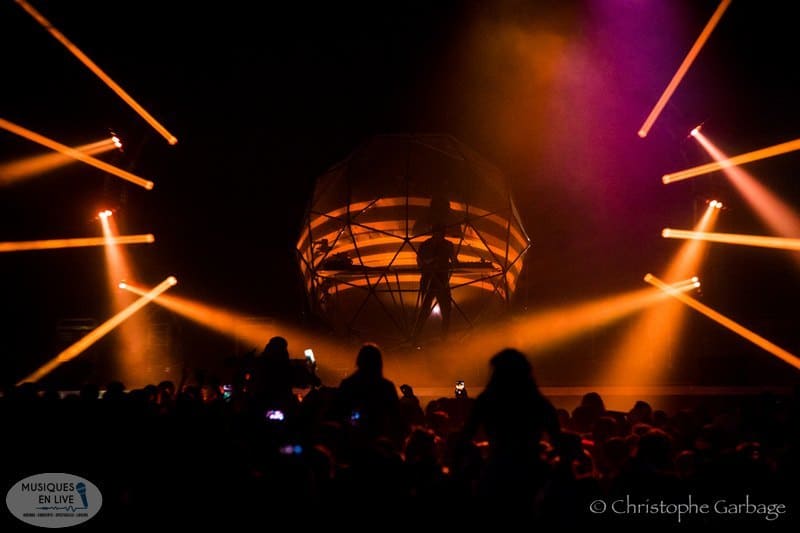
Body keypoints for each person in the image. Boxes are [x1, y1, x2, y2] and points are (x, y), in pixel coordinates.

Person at [414, 223, 457, 341]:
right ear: (434, 233)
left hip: (441, 281)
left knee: (446, 309)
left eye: (442, 233)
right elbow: (420, 263)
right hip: (429, 280)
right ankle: (416, 337)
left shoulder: (447, 245)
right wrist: (434, 261)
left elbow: (454, 261)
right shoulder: (426, 245)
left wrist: (452, 262)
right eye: (439, 233)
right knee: (425, 310)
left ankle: (443, 338)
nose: (441, 235)